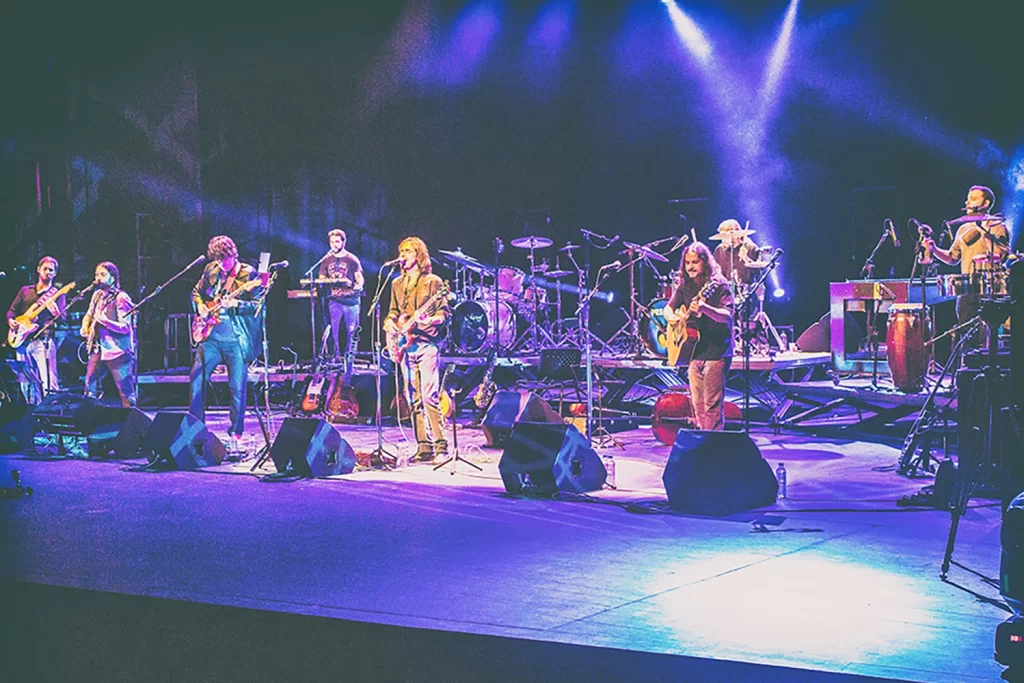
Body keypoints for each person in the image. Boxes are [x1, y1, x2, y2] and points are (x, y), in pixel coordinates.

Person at [189, 236, 264, 452]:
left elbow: (258, 306)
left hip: (236, 340)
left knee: (236, 387)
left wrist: (236, 303)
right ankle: (195, 428)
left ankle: (236, 433)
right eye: (218, 260)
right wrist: (201, 307)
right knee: (196, 378)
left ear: (233, 254)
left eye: (225, 260)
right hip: (211, 337)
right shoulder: (211, 270)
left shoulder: (248, 274)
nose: (222, 265)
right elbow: (196, 293)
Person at [384, 237, 451, 463]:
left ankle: (441, 447)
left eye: (409, 251)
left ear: (419, 255)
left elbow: (444, 314)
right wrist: (390, 324)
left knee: (429, 396)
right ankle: (424, 447)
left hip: (427, 345)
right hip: (406, 346)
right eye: (401, 251)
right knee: (412, 397)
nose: (403, 255)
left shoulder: (433, 282)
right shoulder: (395, 283)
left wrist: (429, 319)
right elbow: (393, 311)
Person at [925, 185, 1011, 350]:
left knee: (987, 333)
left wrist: (985, 233)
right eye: (968, 198)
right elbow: (952, 258)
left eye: (973, 198)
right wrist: (934, 249)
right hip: (966, 288)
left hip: (989, 288)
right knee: (966, 331)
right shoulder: (963, 228)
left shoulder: (997, 225)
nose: (967, 201)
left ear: (985, 203)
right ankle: (969, 368)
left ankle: (988, 367)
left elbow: (1000, 254)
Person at [663, 242, 734, 431]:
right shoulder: (684, 285)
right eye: (687, 263)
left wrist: (705, 309)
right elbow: (668, 308)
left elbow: (727, 316)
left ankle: (712, 446)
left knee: (712, 405)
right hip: (694, 352)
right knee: (697, 405)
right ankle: (703, 442)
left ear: (705, 262)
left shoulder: (718, 284)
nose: (691, 267)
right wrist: (673, 318)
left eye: (695, 262)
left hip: (716, 351)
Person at [6, 256, 67, 404]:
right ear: (38, 269)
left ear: (55, 274)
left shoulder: (57, 294)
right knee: (26, 380)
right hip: (21, 340)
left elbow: (63, 319)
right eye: (45, 268)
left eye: (51, 270)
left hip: (42, 341)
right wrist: (11, 321)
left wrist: (55, 312)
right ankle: (32, 409)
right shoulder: (25, 290)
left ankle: (50, 410)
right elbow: (11, 311)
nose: (48, 272)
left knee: (48, 380)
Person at [81, 262, 136, 407]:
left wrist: (105, 322)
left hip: (118, 351)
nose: (98, 278)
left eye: (103, 275)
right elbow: (89, 313)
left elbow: (125, 327)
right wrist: (85, 325)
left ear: (113, 277)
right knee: (90, 388)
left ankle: (131, 426)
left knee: (126, 392)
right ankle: (91, 423)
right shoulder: (97, 295)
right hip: (98, 349)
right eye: (97, 275)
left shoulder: (121, 297)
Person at [318, 228, 364, 383]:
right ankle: (336, 359)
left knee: (352, 331)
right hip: (334, 301)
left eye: (337, 241)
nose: (334, 244)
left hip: (351, 302)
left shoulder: (352, 259)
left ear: (344, 242)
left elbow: (359, 279)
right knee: (334, 330)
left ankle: (349, 361)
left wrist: (357, 287)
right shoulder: (326, 259)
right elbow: (322, 277)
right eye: (331, 241)